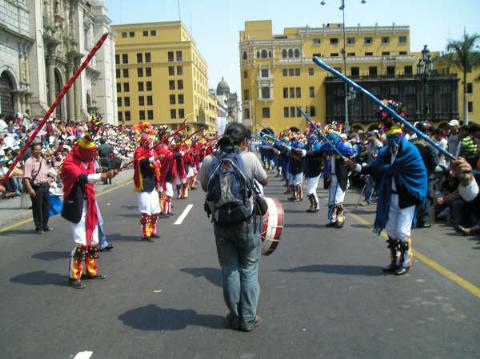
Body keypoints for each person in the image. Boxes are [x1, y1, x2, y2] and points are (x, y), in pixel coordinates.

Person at [198, 123, 268, 332]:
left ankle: (234, 315)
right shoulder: (249, 158)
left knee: (229, 270)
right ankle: (248, 318)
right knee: (249, 269)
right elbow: (264, 180)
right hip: (246, 221)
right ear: (244, 140)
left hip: (221, 222)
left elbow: (204, 186)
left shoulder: (210, 160)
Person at [345, 100, 427, 275]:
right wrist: (356, 167)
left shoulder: (409, 151)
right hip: (390, 194)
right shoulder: (387, 151)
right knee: (390, 229)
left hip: (407, 194)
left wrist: (378, 167)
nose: (392, 142)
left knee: (402, 231)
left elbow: (390, 168)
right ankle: (395, 260)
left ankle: (406, 260)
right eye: (391, 140)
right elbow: (375, 167)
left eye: (394, 139)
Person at [61, 125, 118, 289]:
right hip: (77, 205)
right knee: (81, 243)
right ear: (82, 151)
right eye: (91, 153)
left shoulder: (89, 162)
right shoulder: (69, 163)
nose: (93, 156)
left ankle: (91, 271)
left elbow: (91, 176)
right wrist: (103, 175)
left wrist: (108, 173)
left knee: (93, 240)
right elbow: (82, 178)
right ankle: (74, 276)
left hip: (90, 203)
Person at [133, 122, 162, 240]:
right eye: (148, 140)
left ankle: (152, 230)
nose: (151, 141)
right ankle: (146, 233)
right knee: (146, 210)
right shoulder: (139, 150)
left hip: (152, 183)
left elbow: (156, 163)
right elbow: (139, 162)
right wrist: (152, 159)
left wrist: (158, 160)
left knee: (155, 209)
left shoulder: (153, 151)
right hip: (143, 184)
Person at [23, 142, 52, 234]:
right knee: (37, 207)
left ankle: (45, 225)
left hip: (45, 186)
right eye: (36, 150)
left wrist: (49, 178)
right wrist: (30, 189)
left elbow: (45, 172)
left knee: (46, 206)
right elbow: (26, 178)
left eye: (39, 149)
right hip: (36, 187)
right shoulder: (29, 162)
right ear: (32, 151)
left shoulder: (43, 160)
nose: (38, 151)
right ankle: (39, 226)